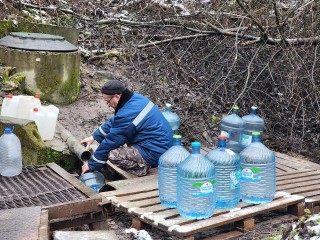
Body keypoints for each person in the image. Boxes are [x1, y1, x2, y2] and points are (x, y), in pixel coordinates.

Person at [81, 80, 173, 176]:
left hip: (156, 153)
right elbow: (117, 120)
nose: (108, 105)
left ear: (117, 96)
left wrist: (91, 165)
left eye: (108, 101)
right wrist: (94, 137)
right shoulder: (136, 99)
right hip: (164, 145)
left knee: (113, 155)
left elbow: (111, 141)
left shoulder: (126, 115)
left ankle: (144, 169)